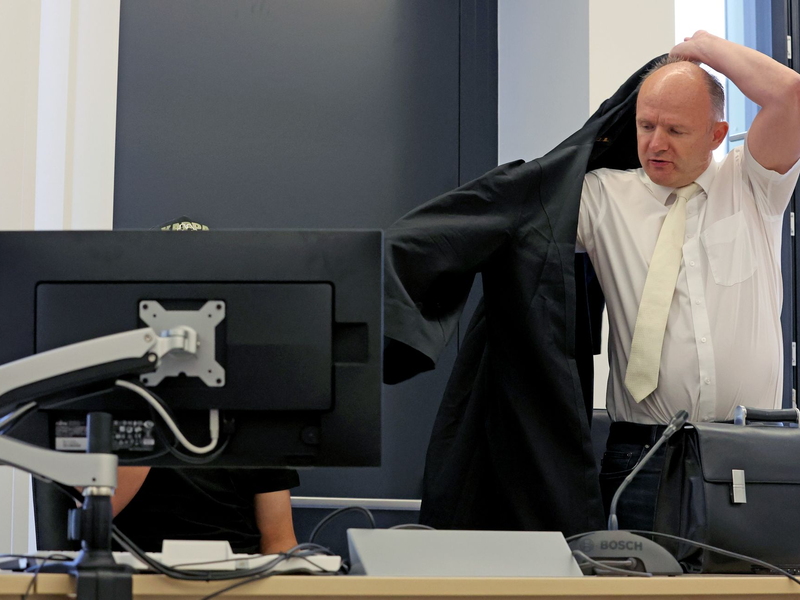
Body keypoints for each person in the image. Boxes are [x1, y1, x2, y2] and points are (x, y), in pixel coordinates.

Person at [576, 31, 800, 531]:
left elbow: (791, 95)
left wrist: (705, 49)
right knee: (633, 573)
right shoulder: (601, 198)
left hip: (750, 454)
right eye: (646, 125)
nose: (655, 143)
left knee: (755, 575)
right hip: (641, 456)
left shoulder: (753, 183)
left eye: (676, 130)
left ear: (717, 135)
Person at [110, 216, 300, 555]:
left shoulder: (254, 396)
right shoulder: (115, 389)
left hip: (238, 574)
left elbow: (279, 540)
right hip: (135, 572)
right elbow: (94, 515)